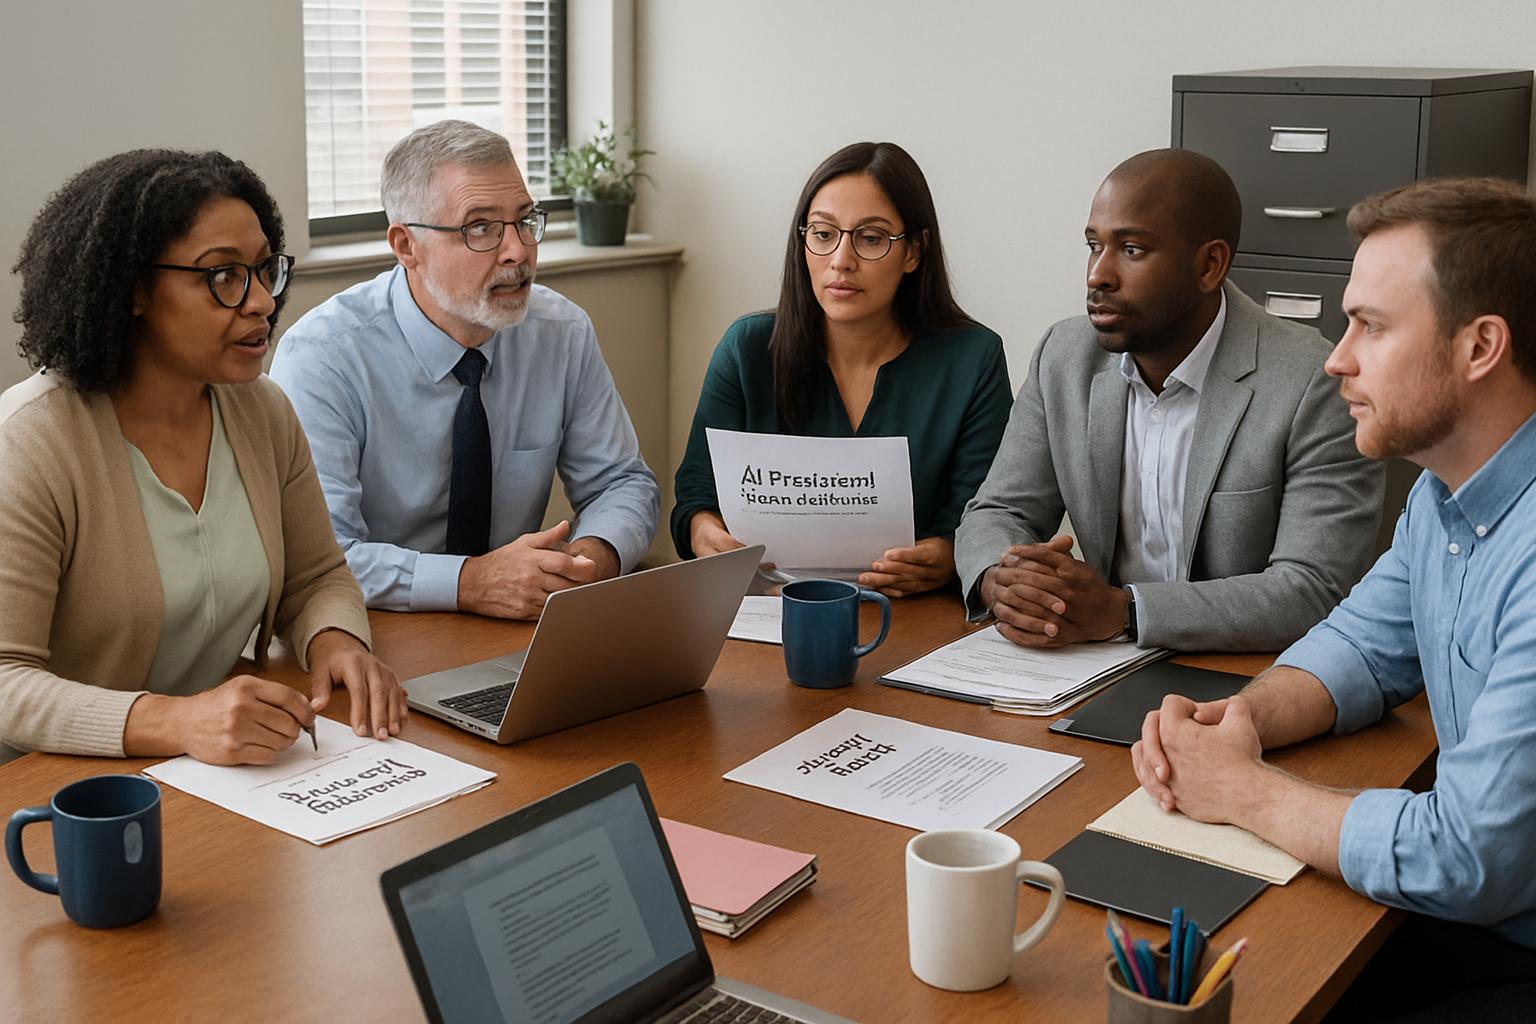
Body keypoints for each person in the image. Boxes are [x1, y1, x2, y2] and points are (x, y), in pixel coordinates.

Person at [1133, 177, 1536, 1020]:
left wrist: (1242, 791)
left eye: (1372, 326)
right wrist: (1245, 720)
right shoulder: (1445, 491)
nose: (1336, 357)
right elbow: (1361, 643)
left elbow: (1467, 858)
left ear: (1480, 346)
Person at [0, 149, 405, 765]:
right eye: (223, 277)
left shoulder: (262, 411)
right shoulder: (29, 443)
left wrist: (335, 639)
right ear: (133, 289)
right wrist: (175, 721)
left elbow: (316, 576)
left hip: (211, 770)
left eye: (265, 270)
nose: (263, 301)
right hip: (59, 791)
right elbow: (5, 679)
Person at [956, 149, 1382, 651]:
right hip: (1088, 662)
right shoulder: (1063, 357)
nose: (1098, 275)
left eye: (1131, 249)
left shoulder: (1312, 380)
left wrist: (1126, 611)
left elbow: (1314, 588)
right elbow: (999, 510)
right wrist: (1003, 579)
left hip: (1239, 673)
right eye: (1094, 245)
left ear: (1209, 265)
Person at [270, 120, 659, 620]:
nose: (517, 250)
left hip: (517, 626)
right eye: (481, 228)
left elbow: (621, 482)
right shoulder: (323, 357)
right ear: (406, 245)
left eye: (524, 220)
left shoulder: (560, 331)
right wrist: (469, 582)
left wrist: (588, 561)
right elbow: (320, 558)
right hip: (372, 633)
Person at [671, 141, 1012, 597]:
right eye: (823, 233)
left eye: (870, 238)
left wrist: (949, 554)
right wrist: (703, 531)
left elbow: (987, 512)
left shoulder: (973, 358)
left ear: (914, 251)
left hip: (918, 612)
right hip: (768, 607)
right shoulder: (748, 348)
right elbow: (697, 491)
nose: (841, 261)